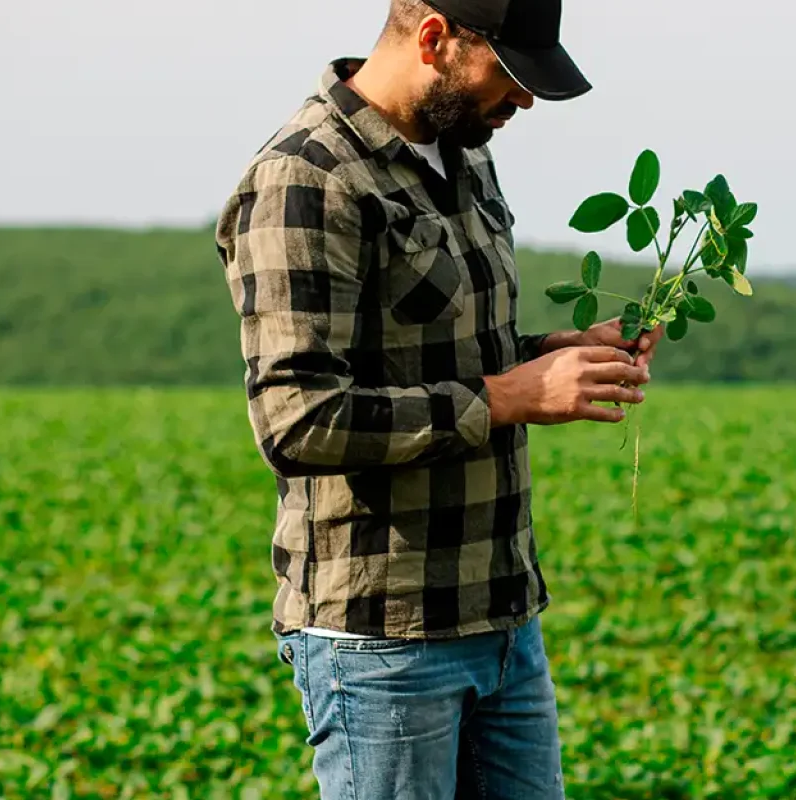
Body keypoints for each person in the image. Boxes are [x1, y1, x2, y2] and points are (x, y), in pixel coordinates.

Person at [212, 1, 660, 796]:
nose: (522, 101)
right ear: (435, 39)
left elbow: (449, 358)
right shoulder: (305, 178)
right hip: (383, 639)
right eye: (510, 76)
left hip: (502, 616)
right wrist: (508, 396)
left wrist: (549, 357)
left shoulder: (465, 153)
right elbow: (299, 417)